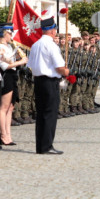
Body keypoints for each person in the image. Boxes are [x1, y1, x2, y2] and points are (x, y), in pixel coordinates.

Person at [27, 17, 69, 155]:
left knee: (41, 115)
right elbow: (59, 67)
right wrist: (66, 71)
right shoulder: (51, 45)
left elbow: (30, 65)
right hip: (50, 82)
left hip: (38, 81)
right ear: (52, 30)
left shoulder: (35, 45)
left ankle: (40, 146)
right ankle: (47, 146)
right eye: (55, 29)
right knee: (50, 114)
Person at [0, 25, 26, 146]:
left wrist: (18, 58)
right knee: (4, 107)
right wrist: (20, 62)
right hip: (6, 76)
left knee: (10, 107)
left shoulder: (9, 46)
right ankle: (3, 134)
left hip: (13, 76)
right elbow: (4, 65)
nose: (11, 36)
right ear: (4, 34)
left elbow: (12, 62)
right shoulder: (0, 47)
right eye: (10, 33)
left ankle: (8, 134)